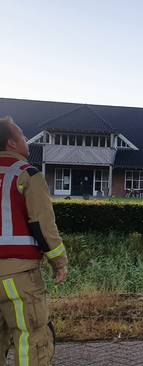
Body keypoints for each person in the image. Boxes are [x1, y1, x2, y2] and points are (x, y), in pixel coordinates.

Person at [0, 116, 68, 365]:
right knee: (32, 337)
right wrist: (59, 262)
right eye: (21, 134)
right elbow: (43, 226)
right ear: (11, 143)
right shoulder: (28, 174)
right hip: (19, 277)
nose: (26, 139)